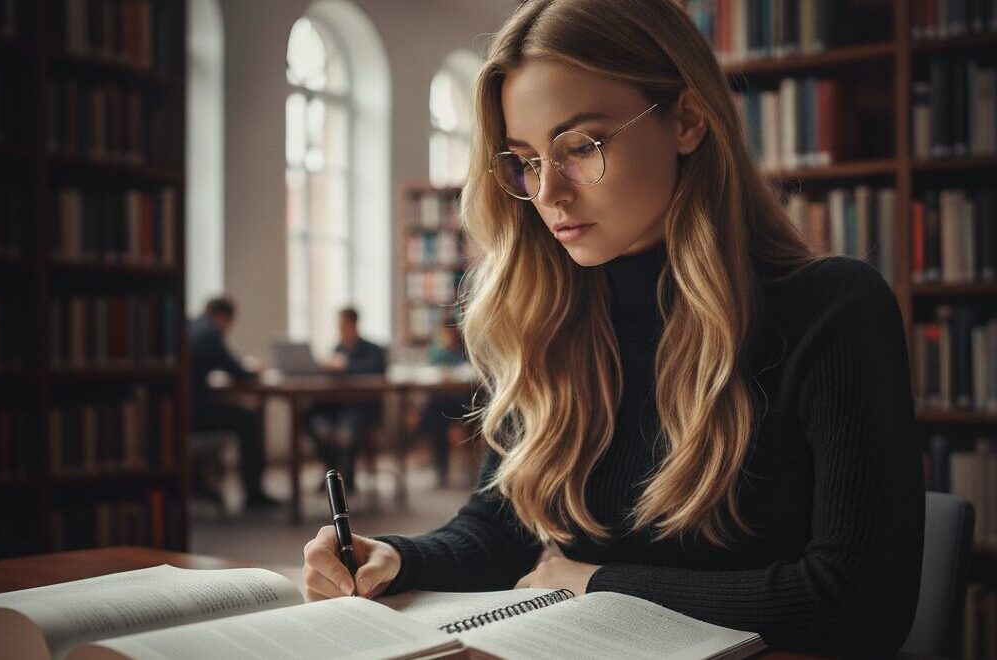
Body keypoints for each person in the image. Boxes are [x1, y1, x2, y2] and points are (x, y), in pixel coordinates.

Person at [302, 1, 924, 656]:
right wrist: (397, 558)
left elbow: (858, 605)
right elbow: (501, 529)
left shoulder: (833, 311)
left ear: (687, 119)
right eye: (525, 160)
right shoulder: (549, 314)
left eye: (579, 147)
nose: (548, 194)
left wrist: (599, 583)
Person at [189, 296, 280, 509]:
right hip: (195, 415)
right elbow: (236, 370)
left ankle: (201, 485)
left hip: (183, 411)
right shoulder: (210, 334)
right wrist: (253, 370)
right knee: (249, 420)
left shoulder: (193, 327)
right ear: (223, 317)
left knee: (240, 414)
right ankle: (254, 494)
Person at [305, 307, 387, 492]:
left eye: (343, 325)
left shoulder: (373, 349)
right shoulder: (338, 348)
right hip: (338, 406)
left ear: (353, 325)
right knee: (312, 420)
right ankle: (332, 474)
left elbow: (376, 369)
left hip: (362, 407)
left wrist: (345, 365)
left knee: (346, 431)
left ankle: (345, 479)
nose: (340, 330)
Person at [415, 319, 472, 487]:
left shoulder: (465, 350)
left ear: (455, 333)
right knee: (437, 412)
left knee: (434, 412)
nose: (445, 336)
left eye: (447, 333)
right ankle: (441, 466)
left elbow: (471, 373)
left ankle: (420, 432)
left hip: (463, 402)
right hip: (443, 402)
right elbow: (429, 369)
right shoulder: (437, 350)